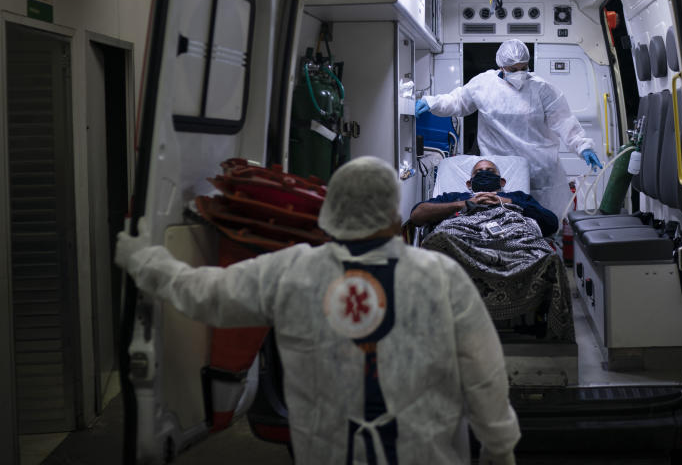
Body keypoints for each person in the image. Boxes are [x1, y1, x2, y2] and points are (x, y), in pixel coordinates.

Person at [115, 156, 520, 464]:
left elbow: (200, 293)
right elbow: (484, 373)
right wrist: (500, 449)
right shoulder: (441, 276)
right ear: (393, 215)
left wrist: (142, 259)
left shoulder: (291, 271)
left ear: (331, 212)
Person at [415, 38, 602, 220]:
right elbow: (457, 101)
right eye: (513, 69)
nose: (520, 73)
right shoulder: (484, 85)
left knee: (545, 220)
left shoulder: (542, 89)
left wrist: (582, 146)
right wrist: (431, 102)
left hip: (540, 169)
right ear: (501, 66)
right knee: (503, 214)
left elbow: (564, 120)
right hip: (503, 168)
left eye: (524, 68)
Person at [410, 159, 558, 237]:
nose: (484, 173)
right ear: (469, 184)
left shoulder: (517, 197)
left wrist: (507, 202)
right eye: (479, 172)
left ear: (502, 182)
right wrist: (463, 204)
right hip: (461, 240)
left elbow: (551, 223)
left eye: (490, 171)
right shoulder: (454, 197)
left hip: (511, 239)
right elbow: (417, 215)